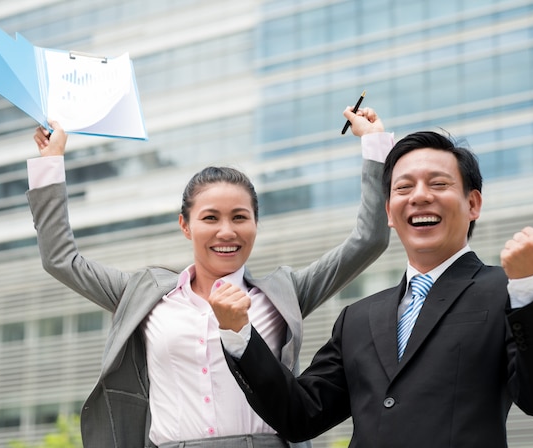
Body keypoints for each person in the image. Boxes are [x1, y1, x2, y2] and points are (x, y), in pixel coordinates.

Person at [26, 106, 392, 448]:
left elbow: (367, 241)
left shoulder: (284, 293)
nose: (226, 231)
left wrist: (375, 145)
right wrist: (51, 162)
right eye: (210, 218)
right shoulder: (142, 296)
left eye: (239, 217)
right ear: (185, 225)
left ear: (255, 224)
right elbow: (61, 259)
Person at [211, 130, 533, 448]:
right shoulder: (357, 317)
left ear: (473, 204)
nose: (419, 196)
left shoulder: (507, 291)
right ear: (389, 212)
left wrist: (532, 289)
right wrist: (240, 334)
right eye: (404, 188)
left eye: (438, 184)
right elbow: (300, 413)